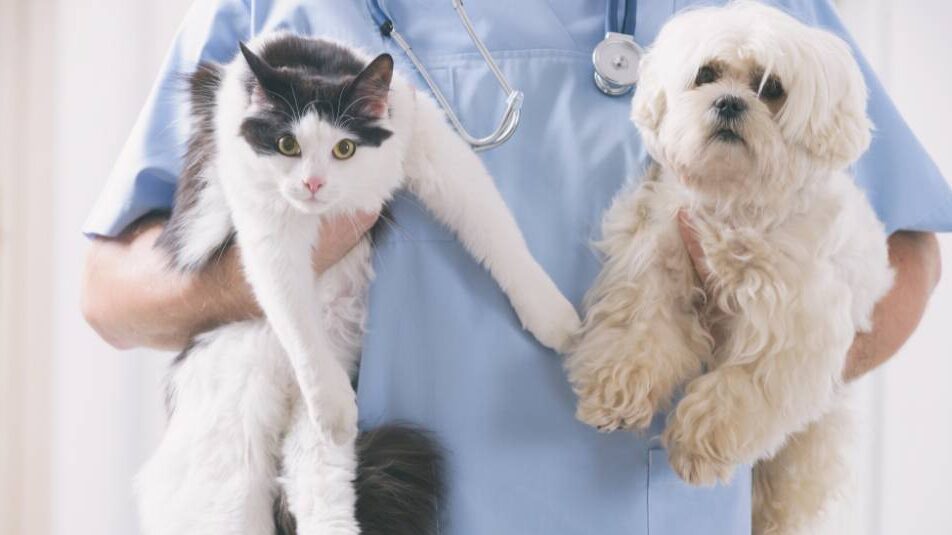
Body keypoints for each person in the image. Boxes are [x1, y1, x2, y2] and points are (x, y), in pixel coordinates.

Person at [81, 1, 948, 533]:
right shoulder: (267, 4)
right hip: (377, 505)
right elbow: (111, 294)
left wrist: (770, 366)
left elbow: (908, 255)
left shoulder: (757, 15)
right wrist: (271, 270)